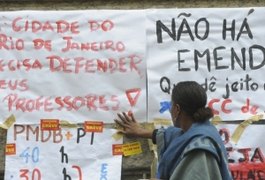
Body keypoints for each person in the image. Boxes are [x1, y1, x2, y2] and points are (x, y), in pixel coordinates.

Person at [114, 81, 232, 180]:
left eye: (171, 105)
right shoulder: (200, 130)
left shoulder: (199, 149)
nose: (170, 110)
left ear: (176, 109)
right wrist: (140, 131)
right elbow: (169, 135)